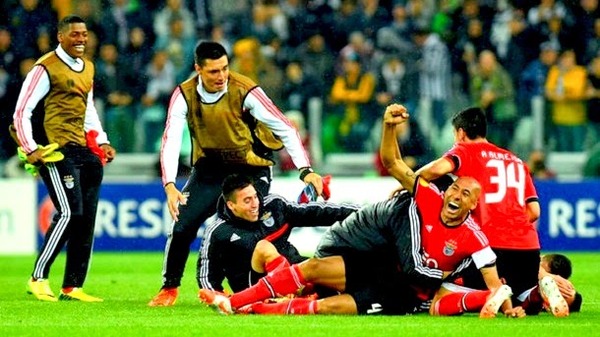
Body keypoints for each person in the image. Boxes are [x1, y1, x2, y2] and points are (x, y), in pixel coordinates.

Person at [199, 104, 518, 318]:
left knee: (323, 308)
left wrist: (505, 304)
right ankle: (238, 302)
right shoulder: (428, 197)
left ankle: (258, 309)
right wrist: (388, 126)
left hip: (400, 293)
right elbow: (394, 163)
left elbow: (491, 281)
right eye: (454, 189)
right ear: (445, 190)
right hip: (376, 265)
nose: (456, 196)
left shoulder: (473, 236)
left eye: (465, 194)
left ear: (473, 204)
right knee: (310, 269)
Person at [149, 41, 323, 307]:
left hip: (250, 168)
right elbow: (170, 138)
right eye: (213, 72)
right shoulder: (183, 94)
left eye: (225, 69)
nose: (221, 77)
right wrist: (170, 185)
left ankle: (284, 283)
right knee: (182, 225)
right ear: (198, 69)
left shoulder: (246, 90)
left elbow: (286, 127)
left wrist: (306, 170)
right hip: (209, 169)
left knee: (246, 228)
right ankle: (169, 288)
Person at [10, 15, 116, 302]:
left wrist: (102, 140)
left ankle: (72, 286)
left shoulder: (88, 68)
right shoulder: (45, 68)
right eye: (75, 35)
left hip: (83, 147)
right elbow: (22, 111)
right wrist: (30, 147)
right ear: (61, 37)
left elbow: (88, 109)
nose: (81, 39)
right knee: (69, 212)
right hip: (54, 149)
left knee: (86, 218)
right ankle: (38, 277)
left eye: (84, 34)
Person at [413, 107, 552, 315]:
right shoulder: (516, 161)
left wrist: (412, 181)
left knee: (439, 302)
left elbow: (435, 170)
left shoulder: (464, 150)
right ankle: (535, 294)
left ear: (460, 133)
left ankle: (489, 295)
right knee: (519, 298)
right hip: (528, 249)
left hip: (490, 247)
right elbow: (534, 210)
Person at [198, 173, 358, 293]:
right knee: (264, 248)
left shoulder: (274, 207)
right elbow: (206, 274)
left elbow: (316, 212)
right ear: (231, 205)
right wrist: (217, 296)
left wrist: (368, 214)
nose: (255, 204)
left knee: (342, 271)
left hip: (298, 271)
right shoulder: (218, 232)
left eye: (255, 197)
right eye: (247, 201)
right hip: (255, 289)